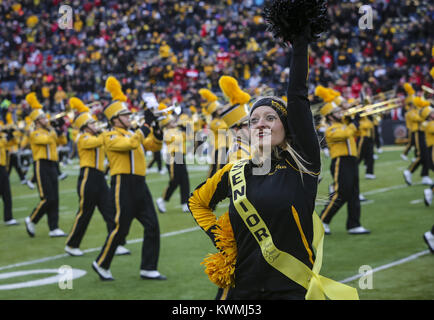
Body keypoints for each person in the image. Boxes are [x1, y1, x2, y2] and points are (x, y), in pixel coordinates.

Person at [188, 19, 358, 300]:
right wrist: (222, 239)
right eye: (254, 120)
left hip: (290, 289)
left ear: (286, 127)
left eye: (270, 117)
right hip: (241, 291)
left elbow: (298, 98)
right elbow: (196, 201)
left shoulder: (302, 165)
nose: (260, 124)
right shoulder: (235, 171)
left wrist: (300, 44)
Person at [92, 76, 166, 281]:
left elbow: (153, 146)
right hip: (122, 184)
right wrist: (145, 125)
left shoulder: (133, 132)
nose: (129, 116)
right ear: (115, 119)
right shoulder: (110, 135)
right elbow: (130, 144)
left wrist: (157, 130)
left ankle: (148, 268)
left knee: (152, 225)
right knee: (120, 228)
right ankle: (101, 263)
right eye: (125, 114)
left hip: (140, 184)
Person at [65, 97, 129, 256]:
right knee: (85, 213)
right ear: (85, 127)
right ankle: (72, 244)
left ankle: (117, 242)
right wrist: (107, 131)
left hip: (99, 177)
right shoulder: (83, 138)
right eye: (92, 124)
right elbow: (98, 141)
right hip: (88, 177)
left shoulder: (98, 136)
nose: (95, 125)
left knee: (110, 210)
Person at [317, 95, 370, 235]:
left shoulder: (344, 125)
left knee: (354, 193)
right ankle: (322, 220)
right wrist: (353, 123)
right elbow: (346, 134)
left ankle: (354, 224)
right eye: (337, 113)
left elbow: (359, 131)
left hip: (351, 161)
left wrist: (357, 119)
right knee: (342, 192)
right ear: (330, 117)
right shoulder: (331, 129)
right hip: (340, 161)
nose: (341, 113)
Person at [24, 92, 68, 238]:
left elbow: (62, 142)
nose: (46, 119)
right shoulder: (35, 132)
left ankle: (54, 227)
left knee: (55, 197)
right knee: (47, 198)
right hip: (41, 165)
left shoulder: (49, 130)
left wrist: (60, 129)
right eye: (43, 118)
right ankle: (31, 219)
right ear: (37, 120)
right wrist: (53, 130)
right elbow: (47, 140)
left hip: (52, 165)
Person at [156, 110, 190, 214]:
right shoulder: (166, 132)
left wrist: (184, 127)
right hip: (171, 157)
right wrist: (182, 127)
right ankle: (162, 200)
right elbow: (178, 139)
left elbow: (187, 136)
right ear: (166, 124)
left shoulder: (176, 130)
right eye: (171, 122)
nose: (174, 122)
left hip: (179, 155)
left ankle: (184, 203)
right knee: (175, 180)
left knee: (184, 179)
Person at [403, 96, 433, 186]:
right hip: (418, 133)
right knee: (421, 155)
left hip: (424, 133)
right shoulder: (412, 112)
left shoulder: (421, 110)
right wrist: (425, 113)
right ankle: (409, 171)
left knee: (427, 156)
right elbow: (418, 119)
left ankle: (425, 175)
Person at [0, 125, 17, 226]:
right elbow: (2, 143)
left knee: (6, 193)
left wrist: (11, 134)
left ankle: (8, 217)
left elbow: (13, 143)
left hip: (2, 167)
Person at [357, 115, 376, 179]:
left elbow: (370, 125)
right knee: (359, 156)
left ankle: (369, 173)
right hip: (362, 139)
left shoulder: (367, 119)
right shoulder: (358, 119)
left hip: (369, 139)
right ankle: (351, 171)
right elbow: (366, 126)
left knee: (370, 156)